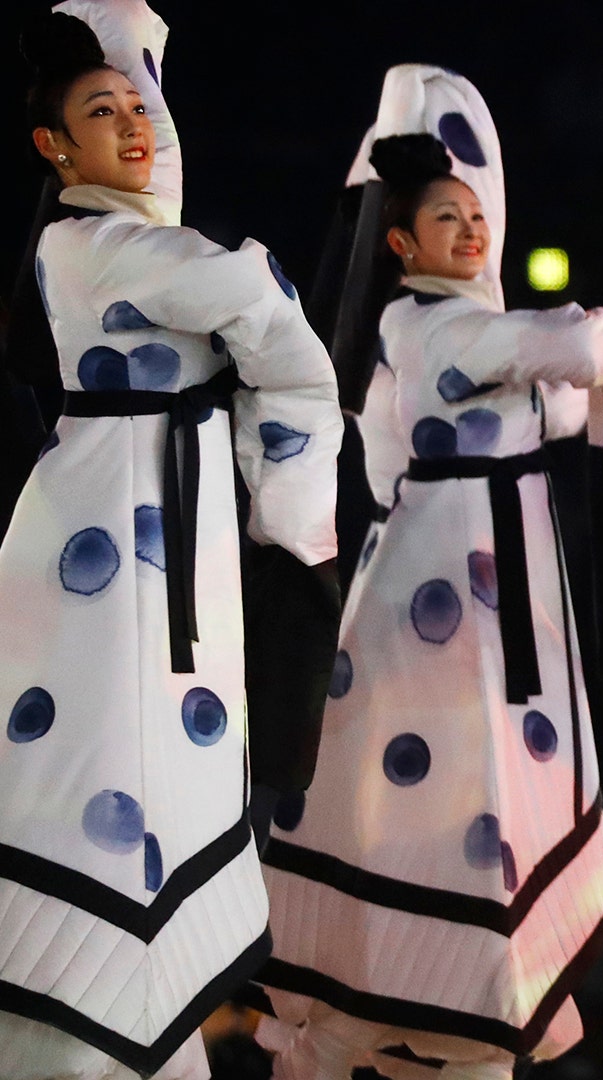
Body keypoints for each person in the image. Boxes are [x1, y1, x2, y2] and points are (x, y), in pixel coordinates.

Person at [253, 125, 603, 1079]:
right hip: (443, 587)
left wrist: (576, 368)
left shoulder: (457, 335)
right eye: (447, 218)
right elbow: (582, 352)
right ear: (400, 243)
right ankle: (429, 996)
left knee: (473, 787)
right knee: (446, 787)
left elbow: (556, 399)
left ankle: (439, 1012)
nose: (472, 230)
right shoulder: (428, 327)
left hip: (485, 571)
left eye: (477, 215)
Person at [0, 5, 342, 1078]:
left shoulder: (128, 242)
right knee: (101, 766)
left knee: (155, 765)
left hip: (160, 525)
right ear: (55, 149)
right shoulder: (90, 244)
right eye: (104, 112)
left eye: (141, 106)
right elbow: (241, 290)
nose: (135, 125)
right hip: (109, 534)